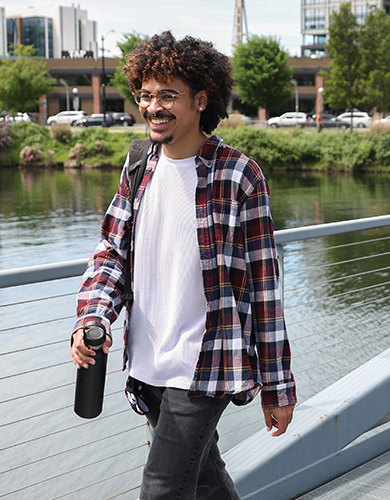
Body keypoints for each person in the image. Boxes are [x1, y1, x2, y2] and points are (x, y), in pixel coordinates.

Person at [70, 33, 295, 500]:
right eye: (146, 96)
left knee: (161, 488)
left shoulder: (239, 175)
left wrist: (277, 386)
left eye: (168, 95)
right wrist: (93, 316)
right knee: (207, 482)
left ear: (201, 99)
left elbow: (264, 288)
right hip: (147, 360)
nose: (154, 107)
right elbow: (111, 254)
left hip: (205, 361)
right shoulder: (137, 166)